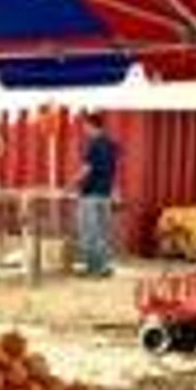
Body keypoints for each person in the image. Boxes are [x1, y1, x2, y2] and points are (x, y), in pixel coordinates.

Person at [74, 112, 119, 277]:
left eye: (85, 126)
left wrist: (70, 184)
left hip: (90, 194)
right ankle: (106, 266)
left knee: (89, 232)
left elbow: (86, 170)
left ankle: (94, 267)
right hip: (105, 194)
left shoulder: (93, 145)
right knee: (104, 232)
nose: (84, 129)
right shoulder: (113, 145)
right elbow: (113, 171)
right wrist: (114, 192)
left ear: (92, 126)